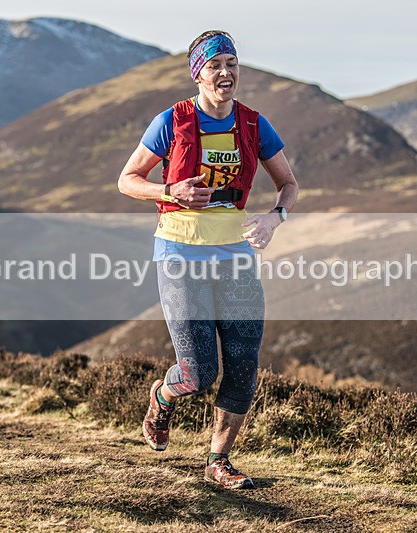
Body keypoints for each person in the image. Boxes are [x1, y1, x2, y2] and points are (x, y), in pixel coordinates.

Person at [118, 30, 298, 489]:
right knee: (198, 372)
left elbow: (288, 185)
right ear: (198, 73)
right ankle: (162, 395)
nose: (226, 73)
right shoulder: (171, 121)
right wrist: (168, 190)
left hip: (236, 257)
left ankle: (219, 461)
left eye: (232, 64)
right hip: (179, 253)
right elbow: (127, 179)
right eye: (216, 65)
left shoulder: (255, 125)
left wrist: (274, 218)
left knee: (243, 364)